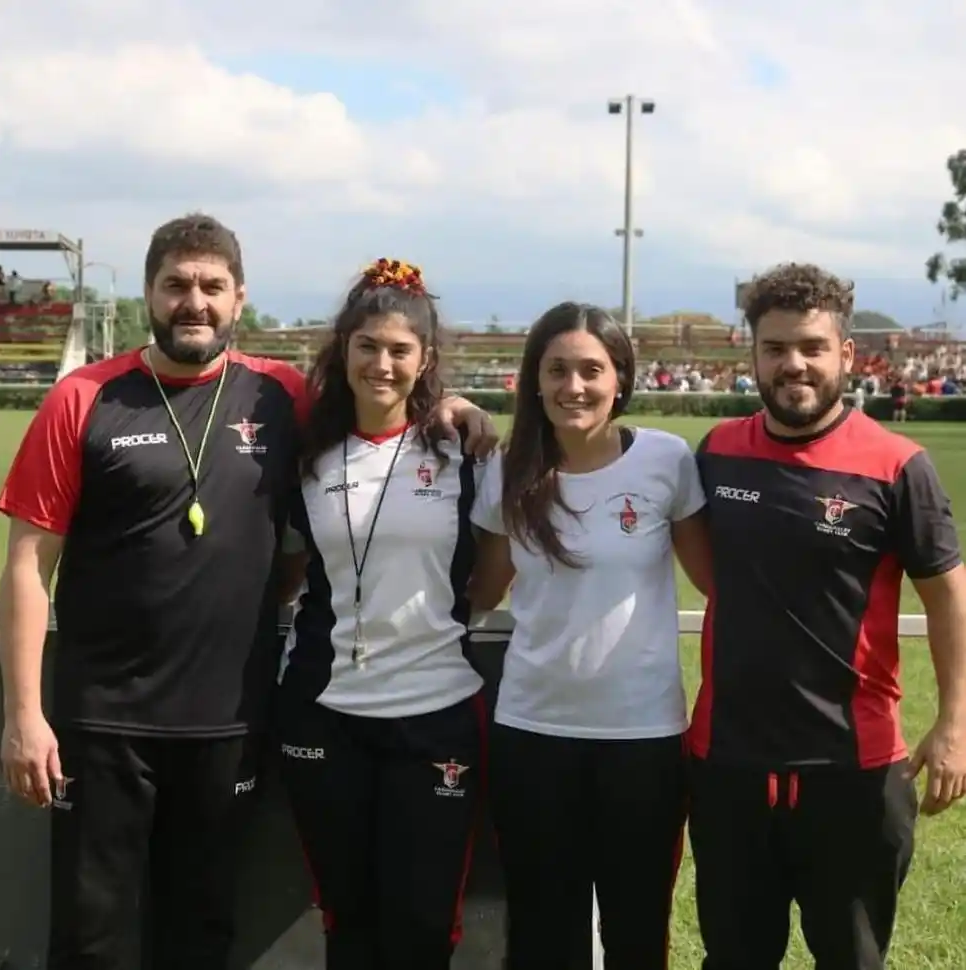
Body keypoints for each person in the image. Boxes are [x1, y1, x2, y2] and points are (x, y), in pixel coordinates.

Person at [0, 219, 497, 970]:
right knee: (91, 937)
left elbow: (380, 388)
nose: (193, 302)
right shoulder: (82, 397)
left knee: (202, 933)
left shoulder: (278, 394)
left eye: (212, 286)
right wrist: (24, 716)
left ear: (239, 297)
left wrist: (449, 403)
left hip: (229, 721)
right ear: (148, 294)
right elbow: (26, 567)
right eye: (176, 284)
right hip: (102, 721)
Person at [688, 262, 966, 970]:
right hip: (728, 765)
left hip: (853, 771)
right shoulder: (717, 452)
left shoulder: (897, 465)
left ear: (846, 353)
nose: (795, 364)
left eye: (812, 347)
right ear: (753, 355)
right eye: (776, 348)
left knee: (852, 959)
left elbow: (948, 597)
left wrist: (955, 724)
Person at [468, 302, 712, 969]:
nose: (573, 386)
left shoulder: (665, 460)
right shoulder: (506, 471)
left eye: (590, 370)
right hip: (532, 734)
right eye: (556, 370)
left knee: (638, 931)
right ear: (534, 380)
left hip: (643, 740)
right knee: (543, 934)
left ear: (620, 378)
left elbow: (716, 583)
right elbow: (482, 593)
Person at [275, 258, 487, 970]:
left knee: (423, 922)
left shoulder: (464, 452)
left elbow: (493, 575)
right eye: (367, 346)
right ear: (344, 350)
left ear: (425, 360)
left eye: (400, 349)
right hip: (323, 711)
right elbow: (288, 573)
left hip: (435, 712)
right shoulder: (306, 455)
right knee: (347, 916)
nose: (382, 364)